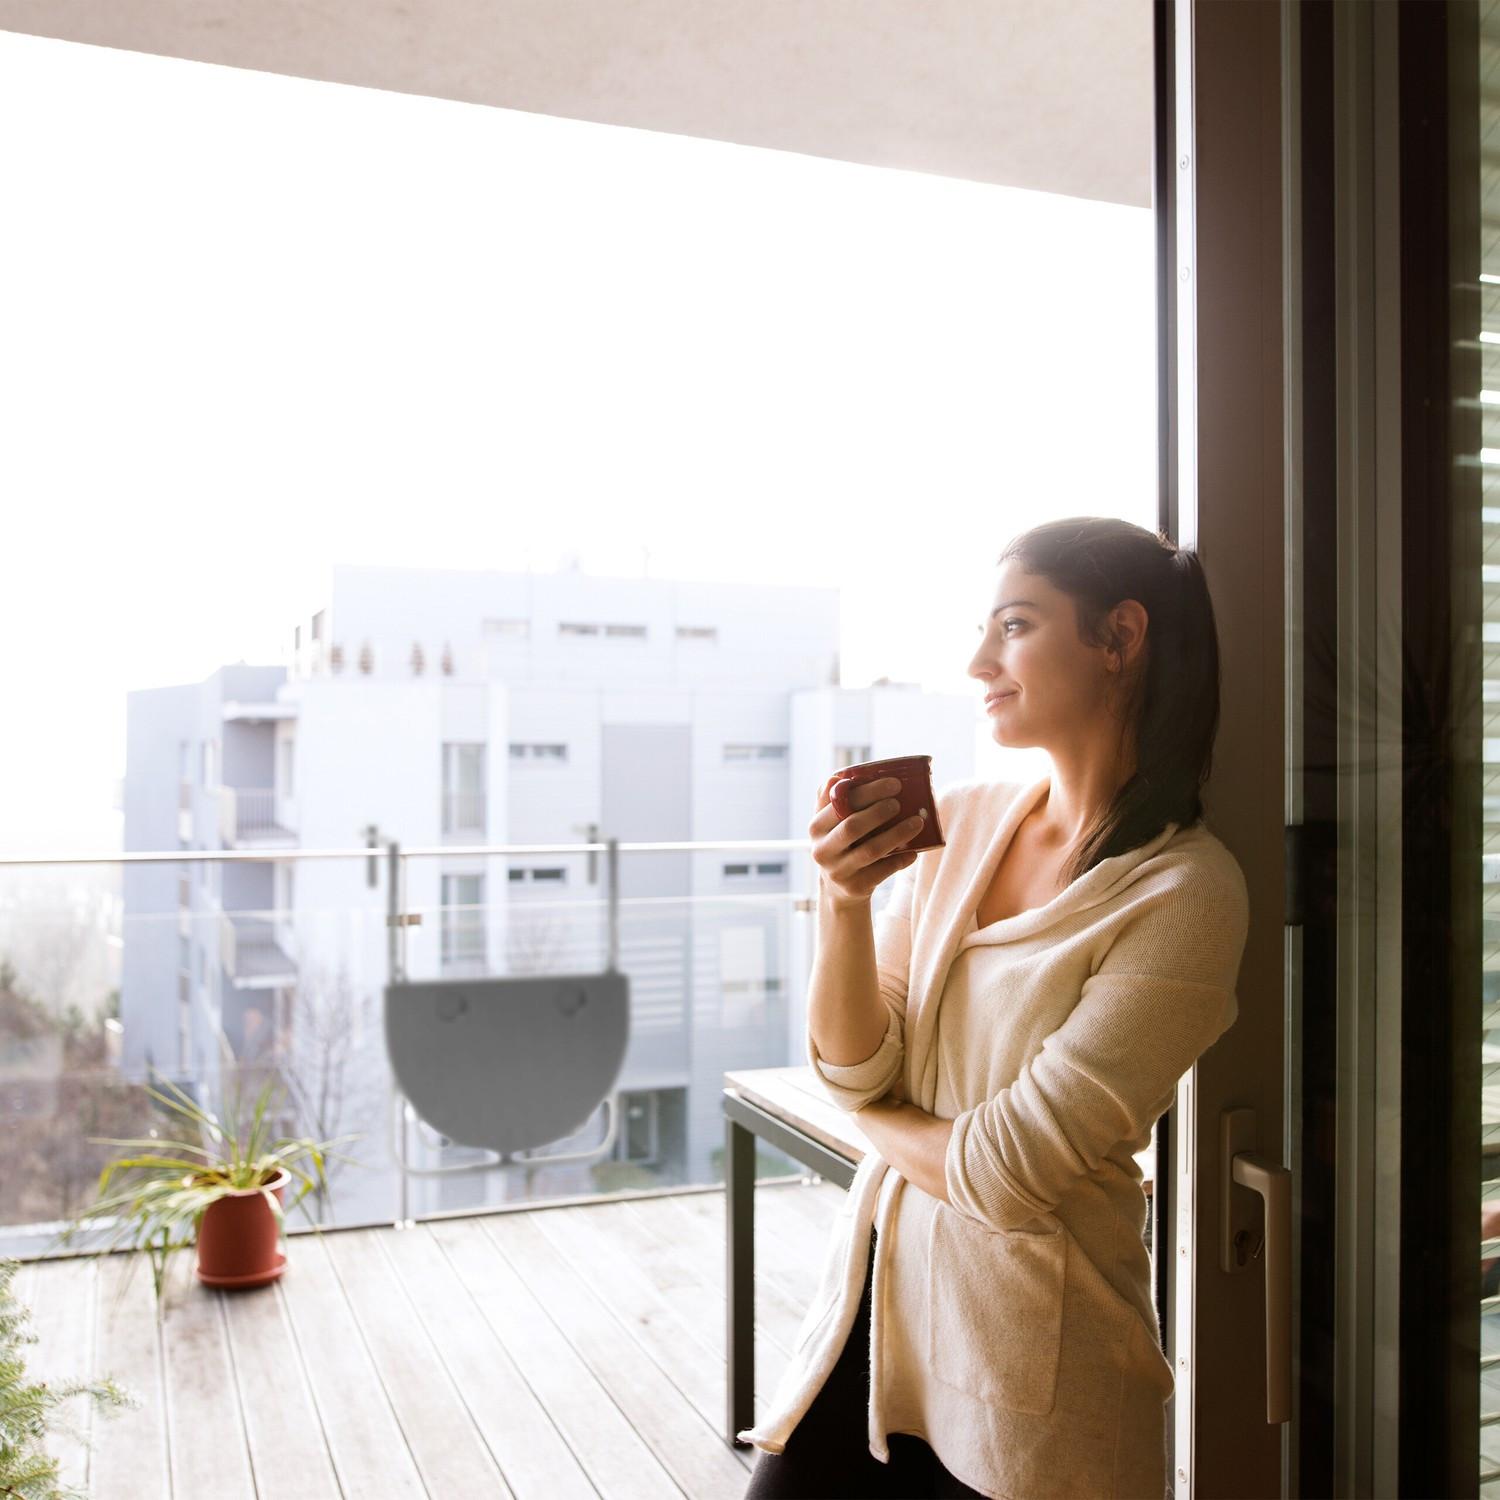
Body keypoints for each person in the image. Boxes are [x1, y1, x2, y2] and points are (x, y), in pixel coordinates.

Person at [740, 516, 1251, 1499]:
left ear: (1120, 638)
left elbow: (1004, 1172)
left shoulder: (1184, 893)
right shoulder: (966, 822)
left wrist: (869, 1120)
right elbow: (855, 1064)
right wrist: (844, 906)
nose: (979, 661)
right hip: (875, 1315)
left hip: (1038, 1384)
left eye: (1013, 626)